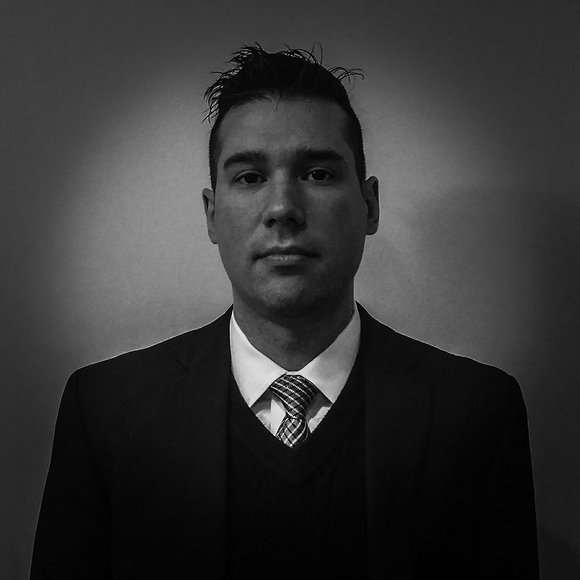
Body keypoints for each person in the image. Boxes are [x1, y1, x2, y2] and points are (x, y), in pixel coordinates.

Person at [30, 45, 539, 579]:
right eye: (250, 177)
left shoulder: (477, 415)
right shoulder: (106, 414)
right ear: (212, 215)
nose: (282, 209)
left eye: (317, 173)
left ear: (369, 205)